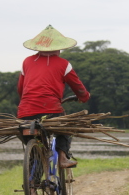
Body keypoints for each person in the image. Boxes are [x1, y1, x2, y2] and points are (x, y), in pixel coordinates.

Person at [17, 25, 90, 168]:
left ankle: (32, 188)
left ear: (38, 47)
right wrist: (84, 97)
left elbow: (21, 89)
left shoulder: (27, 62)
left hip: (25, 113)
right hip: (51, 110)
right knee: (66, 125)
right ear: (59, 48)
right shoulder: (64, 64)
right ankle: (62, 158)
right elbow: (79, 88)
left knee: (36, 149)